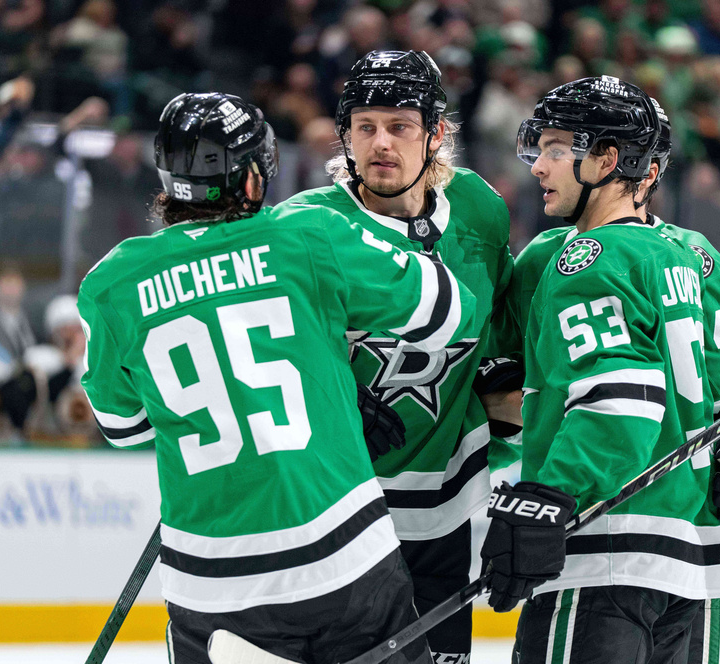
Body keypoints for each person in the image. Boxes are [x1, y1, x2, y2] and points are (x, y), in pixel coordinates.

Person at [78, 91, 478, 664]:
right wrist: (333, 367)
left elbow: (125, 426)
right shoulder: (308, 234)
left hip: (209, 581)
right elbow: (449, 311)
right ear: (251, 179)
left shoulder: (112, 281)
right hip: (341, 555)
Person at [479, 77, 720, 664]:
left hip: (609, 540)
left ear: (610, 161)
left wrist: (547, 494)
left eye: (557, 149)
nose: (538, 165)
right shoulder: (686, 257)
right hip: (697, 551)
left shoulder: (581, 259)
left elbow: (621, 402)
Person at [284, 50, 518, 664]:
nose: (380, 143)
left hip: (443, 507)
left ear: (435, 134)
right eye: (365, 127)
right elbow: (259, 347)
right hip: (336, 510)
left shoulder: (479, 209)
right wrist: (332, 397)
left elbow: (497, 338)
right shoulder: (304, 225)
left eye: (400, 127)